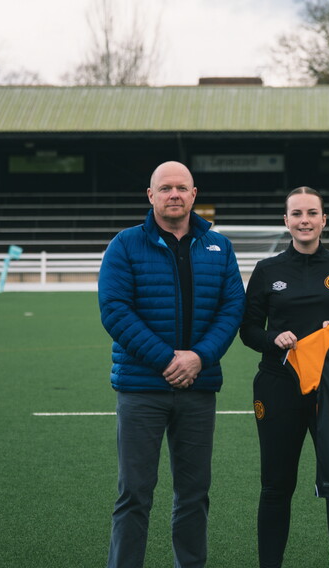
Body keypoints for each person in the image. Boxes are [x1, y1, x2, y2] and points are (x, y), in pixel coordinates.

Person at [98, 161, 245, 568]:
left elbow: (232, 309)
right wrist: (168, 360)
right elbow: (114, 311)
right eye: (165, 188)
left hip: (198, 389)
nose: (174, 194)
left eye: (182, 187)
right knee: (135, 495)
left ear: (194, 194)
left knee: (195, 494)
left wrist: (199, 357)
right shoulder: (125, 245)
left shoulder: (220, 247)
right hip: (140, 389)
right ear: (151, 196)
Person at [239, 187, 329, 568]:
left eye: (312, 213)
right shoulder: (268, 270)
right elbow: (248, 329)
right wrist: (272, 338)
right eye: (296, 213)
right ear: (286, 221)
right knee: (276, 486)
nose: (304, 220)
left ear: (323, 220)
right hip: (279, 387)